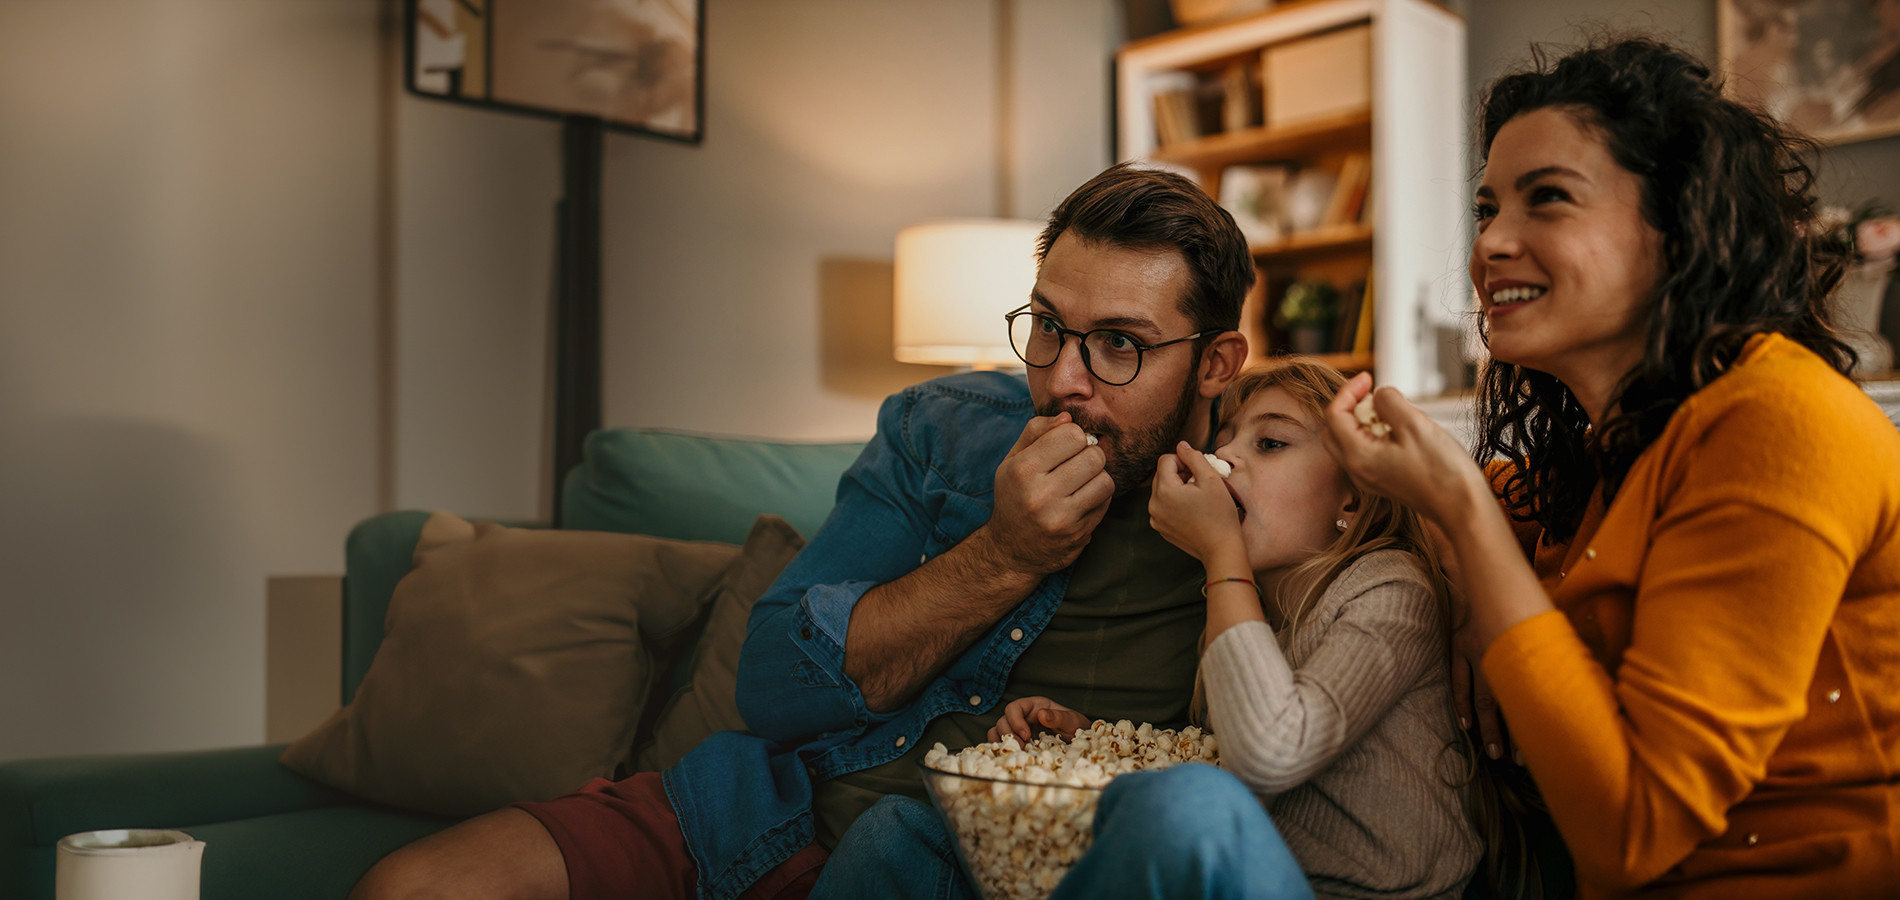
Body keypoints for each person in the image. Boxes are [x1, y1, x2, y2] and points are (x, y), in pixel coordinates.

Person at [349, 161, 1255, 900]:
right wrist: (1005, 555)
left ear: (1215, 363)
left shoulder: (1277, 487)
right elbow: (773, 685)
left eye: (1120, 345)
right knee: (412, 887)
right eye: (1050, 328)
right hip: (766, 810)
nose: (1064, 381)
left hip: (969, 868)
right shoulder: (940, 430)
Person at [1324, 38, 1900, 896]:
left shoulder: (1781, 423)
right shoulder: (1606, 451)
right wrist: (1457, 534)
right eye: (1486, 210)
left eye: (1547, 199)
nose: (1491, 245)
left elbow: (1633, 832)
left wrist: (1464, 519)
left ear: (1681, 227)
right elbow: (1492, 509)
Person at [819, 358, 1482, 899]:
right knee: (900, 834)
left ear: (1353, 496)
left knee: (1190, 802)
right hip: (1241, 878)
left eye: (1271, 443)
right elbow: (1228, 765)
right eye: (1225, 443)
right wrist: (1096, 747)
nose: (1225, 462)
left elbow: (1270, 753)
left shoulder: (1390, 589)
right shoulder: (1246, 613)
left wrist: (1221, 557)